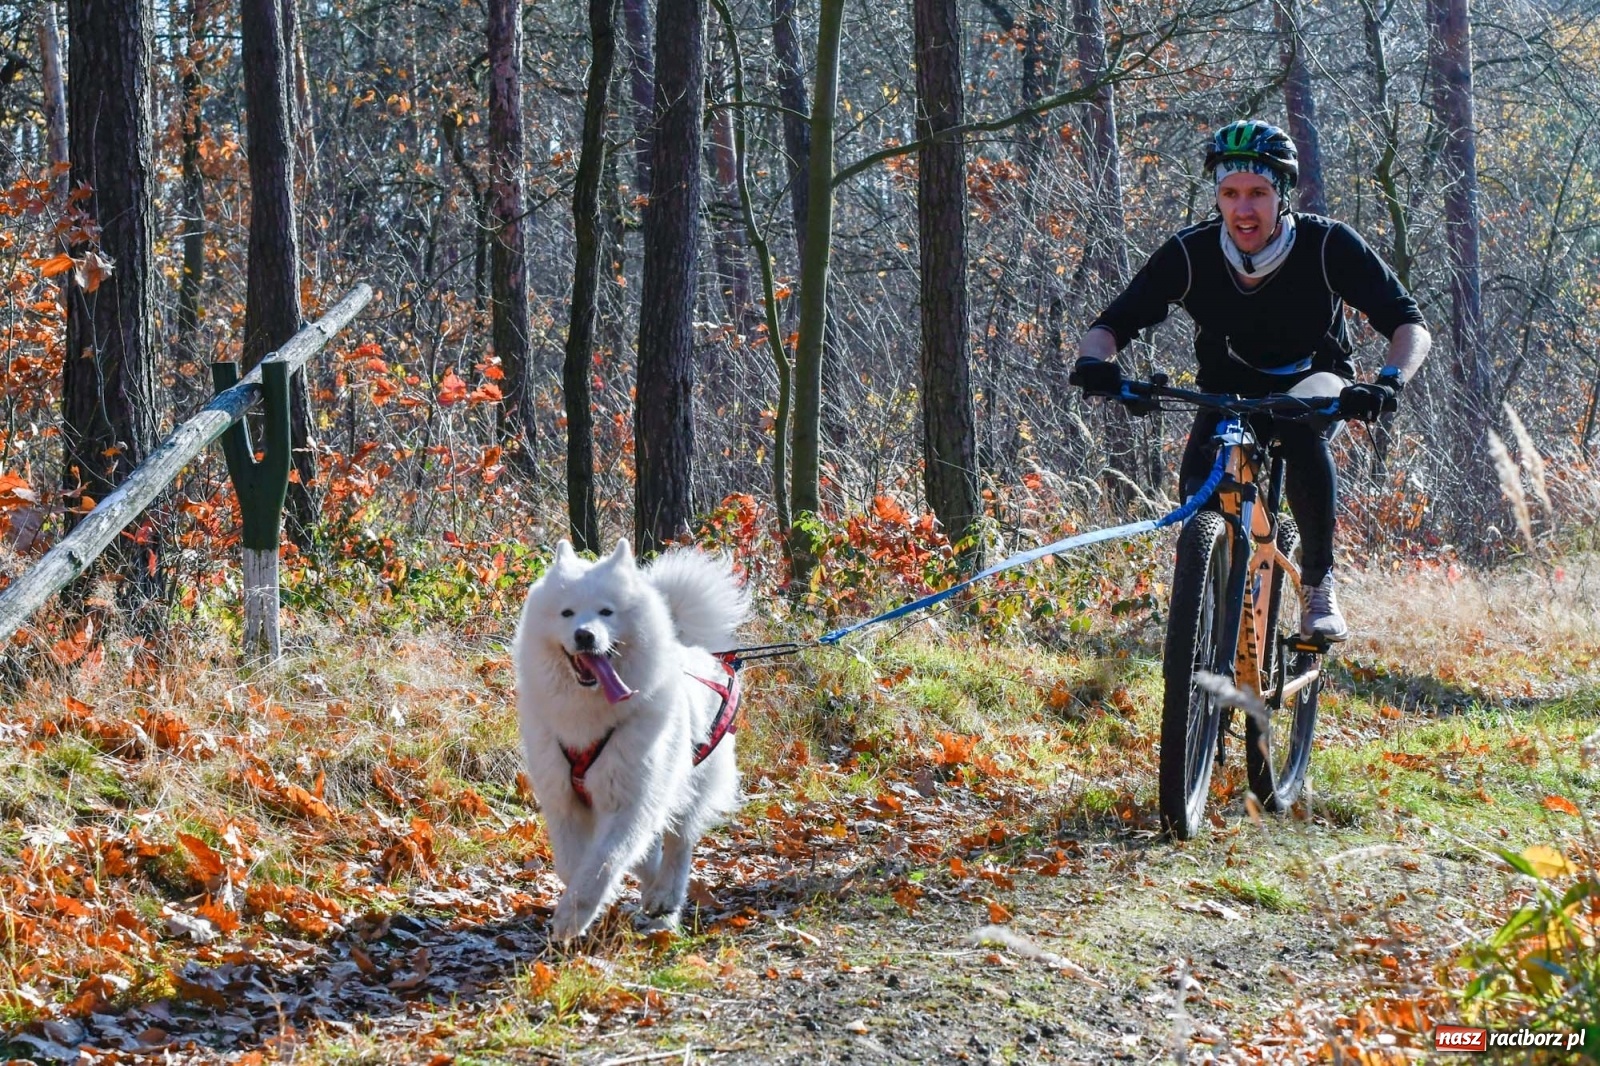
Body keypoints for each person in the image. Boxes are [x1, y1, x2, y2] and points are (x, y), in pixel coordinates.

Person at [1070, 120, 1431, 642]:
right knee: (1198, 483)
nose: (1243, 209)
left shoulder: (1327, 245)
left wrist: (1389, 381)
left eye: (1258, 193)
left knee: (1301, 431)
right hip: (1228, 392)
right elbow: (1109, 326)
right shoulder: (1190, 254)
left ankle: (1317, 584)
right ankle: (1207, 603)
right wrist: (1097, 367)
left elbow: (1408, 323)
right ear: (1216, 197)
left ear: (1282, 195)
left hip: (1313, 379)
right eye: (1230, 193)